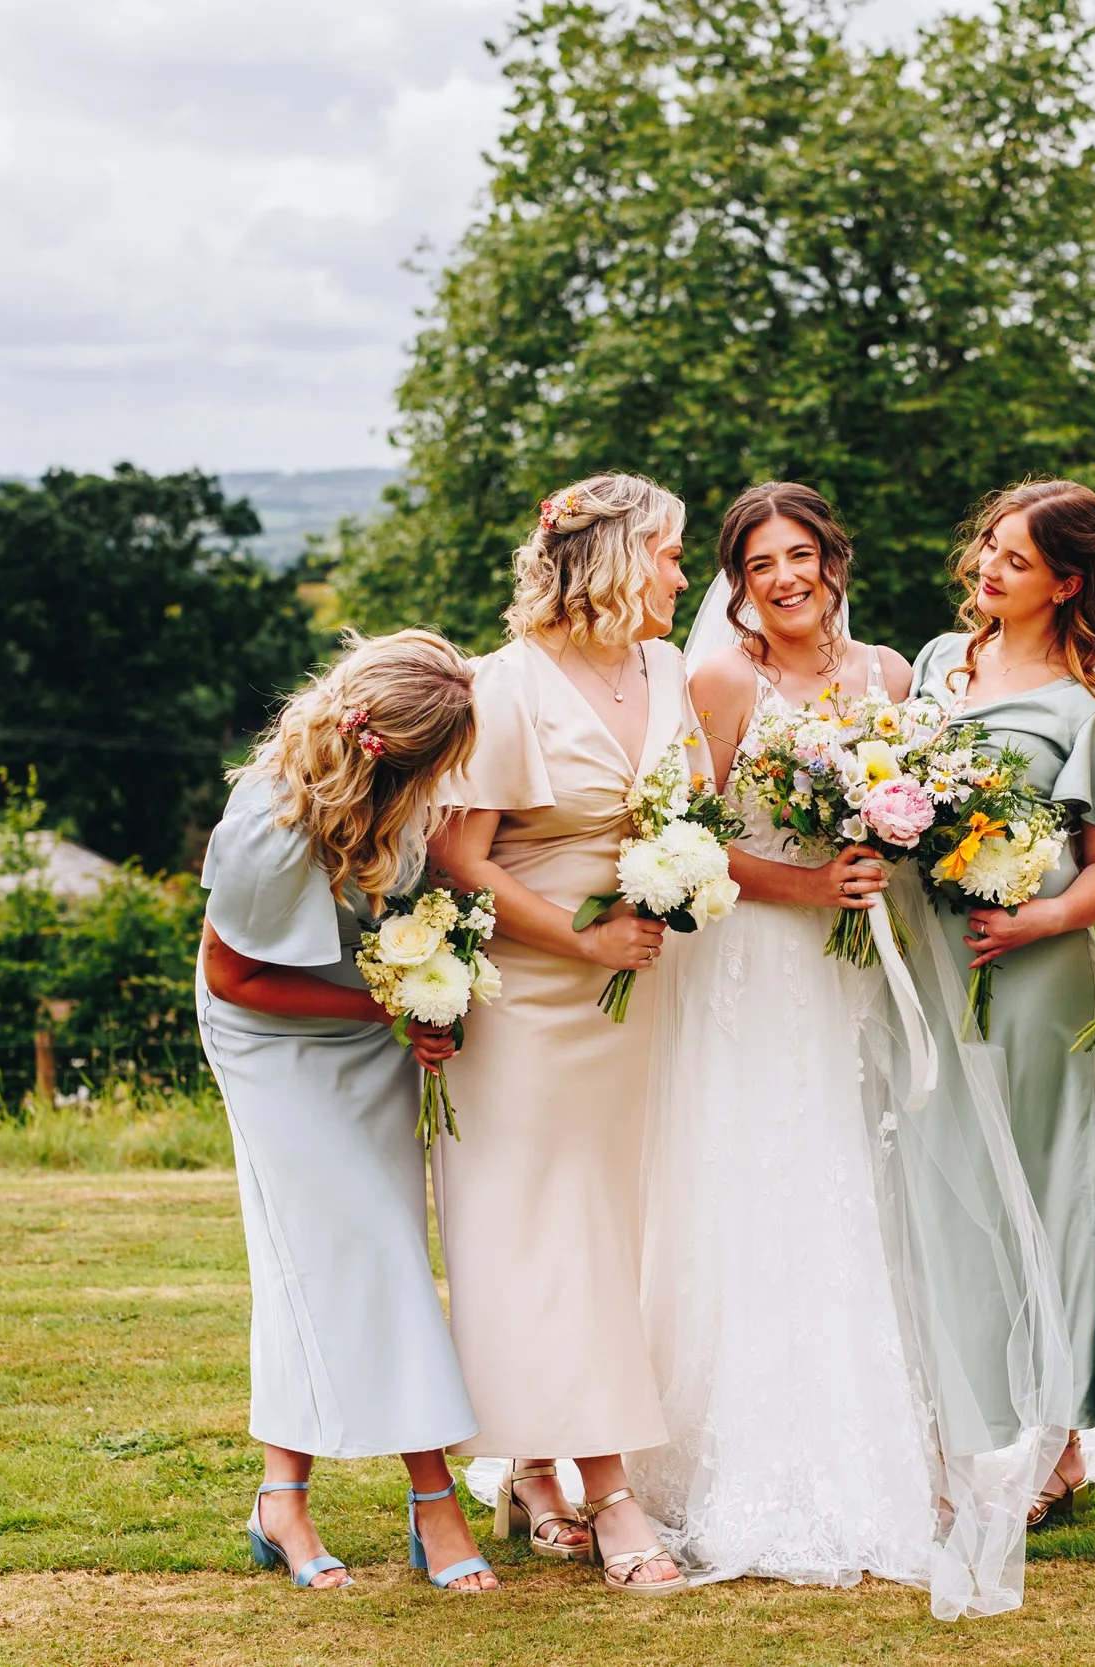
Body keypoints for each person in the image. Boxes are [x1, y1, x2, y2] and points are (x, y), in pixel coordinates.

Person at [633, 481, 935, 1592]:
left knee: (846, 1172)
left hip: (849, 959)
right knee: (750, 1176)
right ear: (737, 582)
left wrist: (878, 849)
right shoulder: (721, 678)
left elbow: (912, 806)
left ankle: (858, 1434)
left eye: (799, 554)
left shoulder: (889, 675)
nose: (784, 578)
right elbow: (690, 841)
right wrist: (805, 881)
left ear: (832, 559)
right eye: (760, 564)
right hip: (753, 959)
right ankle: (709, 1448)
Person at [428, 473, 696, 1594]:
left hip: (643, 1004)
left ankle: (535, 1463)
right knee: (550, 1236)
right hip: (532, 1000)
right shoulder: (507, 687)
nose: (687, 576)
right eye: (673, 553)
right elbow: (458, 855)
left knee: (617, 1236)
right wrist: (581, 942)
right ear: (618, 559)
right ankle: (609, 1484)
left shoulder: (670, 667)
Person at [194, 628, 495, 1593]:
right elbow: (234, 976)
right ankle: (433, 1503)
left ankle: (280, 1499)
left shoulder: (396, 796)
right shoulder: (269, 822)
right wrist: (393, 1003)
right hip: (272, 1042)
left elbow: (408, 913)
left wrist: (430, 998)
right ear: (394, 749)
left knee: (332, 1256)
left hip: (367, 1024)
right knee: (378, 1247)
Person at [909, 480, 1095, 1524]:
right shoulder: (931, 667)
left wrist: (1034, 922)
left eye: (1013, 559)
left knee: (1043, 1185)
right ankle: (953, 1414)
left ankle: (1055, 1439)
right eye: (986, 548)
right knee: (943, 1184)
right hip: (930, 964)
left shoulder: (1088, 705)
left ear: (1067, 582)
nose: (987, 569)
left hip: (1038, 972)